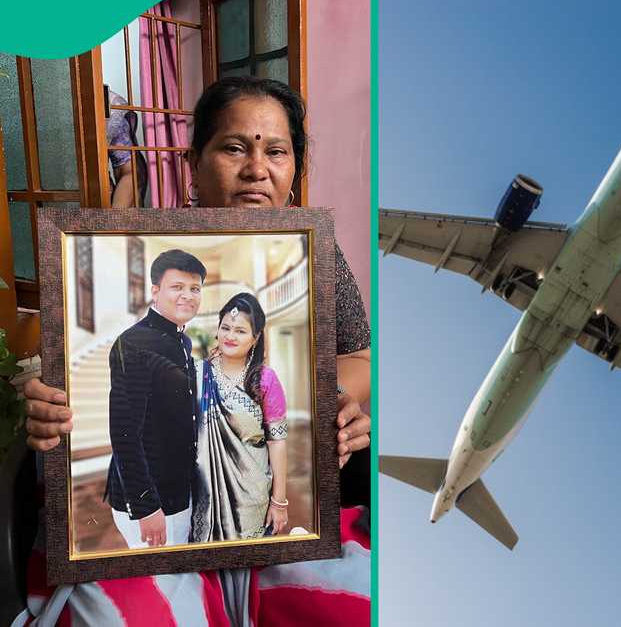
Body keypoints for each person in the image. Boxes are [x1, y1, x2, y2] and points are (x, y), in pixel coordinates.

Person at [20, 76, 372, 625]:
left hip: (263, 516)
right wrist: (44, 400)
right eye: (234, 147)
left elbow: (357, 357)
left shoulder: (320, 258)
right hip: (163, 516)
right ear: (194, 161)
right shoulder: (108, 253)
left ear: (294, 169)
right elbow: (112, 415)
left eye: (276, 151)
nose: (257, 169)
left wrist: (331, 405)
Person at [105, 248, 206, 549]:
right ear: (155, 291)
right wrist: (146, 505)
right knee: (161, 584)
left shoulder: (183, 341)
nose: (187, 295)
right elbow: (123, 433)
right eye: (177, 287)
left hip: (178, 489)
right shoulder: (133, 343)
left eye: (195, 288)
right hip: (150, 502)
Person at [192, 292, 290, 542]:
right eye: (225, 328)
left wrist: (279, 501)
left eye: (240, 331)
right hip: (204, 491)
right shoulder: (198, 374)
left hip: (252, 494)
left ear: (256, 338)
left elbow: (277, 443)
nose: (230, 336)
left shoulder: (264, 380)